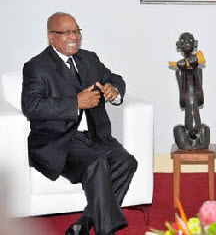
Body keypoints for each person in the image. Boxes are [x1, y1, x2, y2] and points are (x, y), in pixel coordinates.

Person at [22, 12, 138, 235]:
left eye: (76, 31)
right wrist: (75, 102)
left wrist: (114, 92)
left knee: (126, 162)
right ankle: (107, 231)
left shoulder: (89, 59)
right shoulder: (36, 66)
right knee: (97, 163)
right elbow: (32, 106)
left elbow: (115, 79)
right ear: (51, 37)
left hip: (95, 136)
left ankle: (83, 224)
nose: (74, 36)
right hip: (60, 141)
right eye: (66, 32)